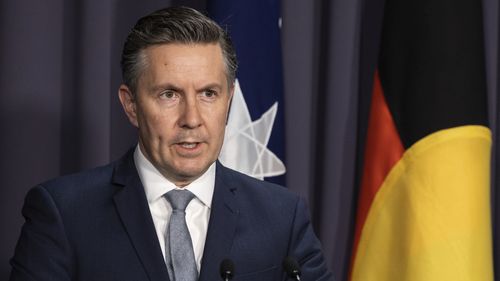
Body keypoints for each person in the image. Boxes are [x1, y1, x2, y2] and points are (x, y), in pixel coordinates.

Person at [9, 6, 333, 281]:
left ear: (229, 99)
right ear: (131, 104)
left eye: (209, 94)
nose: (191, 118)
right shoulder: (64, 214)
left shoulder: (282, 216)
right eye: (169, 94)